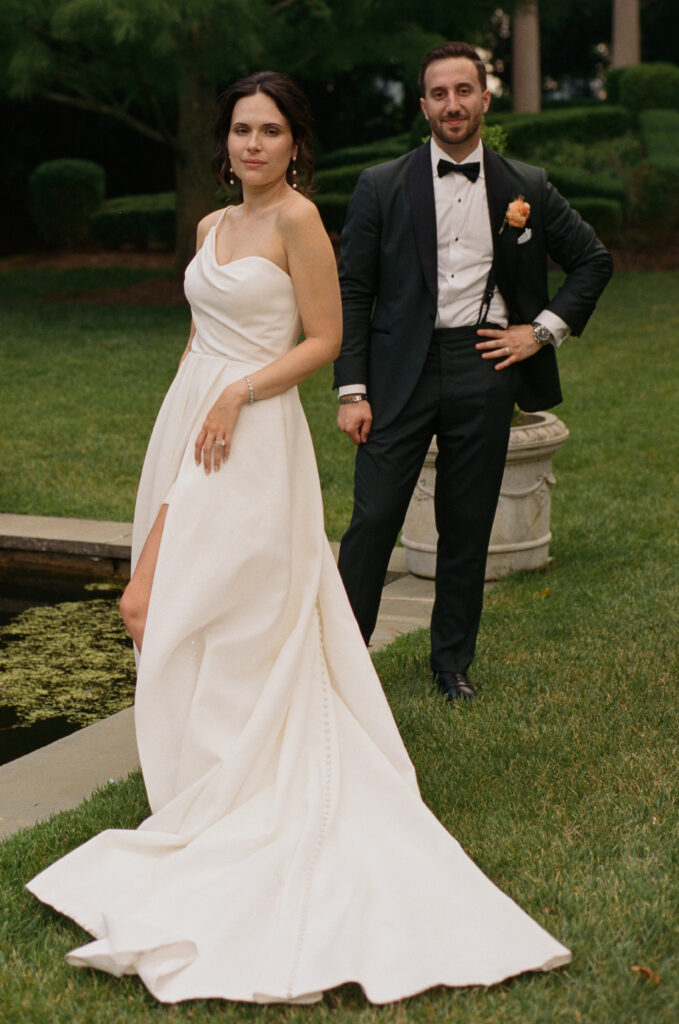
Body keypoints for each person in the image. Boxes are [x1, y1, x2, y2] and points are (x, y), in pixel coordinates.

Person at [27, 70, 571, 1004]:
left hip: (256, 428)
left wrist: (241, 391)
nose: (251, 144)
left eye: (269, 131)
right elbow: (201, 334)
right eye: (240, 129)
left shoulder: (299, 222)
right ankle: (209, 782)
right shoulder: (209, 227)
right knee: (144, 602)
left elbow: (324, 337)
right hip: (195, 421)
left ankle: (246, 790)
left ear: (293, 143)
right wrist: (197, 400)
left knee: (218, 612)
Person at [335, 42, 613, 703]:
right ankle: (341, 664)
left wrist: (538, 332)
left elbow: (591, 261)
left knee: (467, 522)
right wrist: (352, 386)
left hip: (482, 362)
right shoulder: (380, 185)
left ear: (485, 99)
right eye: (438, 93)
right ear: (423, 105)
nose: (451, 104)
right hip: (398, 367)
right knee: (373, 518)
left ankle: (451, 663)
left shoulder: (526, 186)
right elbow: (352, 290)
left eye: (464, 91)